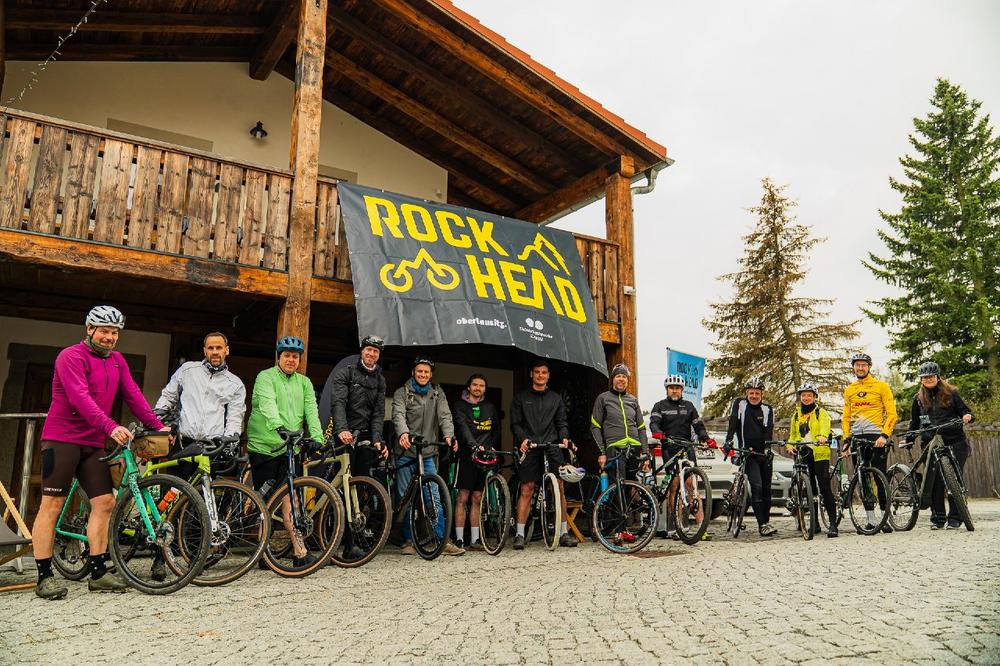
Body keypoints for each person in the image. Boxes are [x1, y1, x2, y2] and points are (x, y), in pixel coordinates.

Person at [31, 306, 166, 599]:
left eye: (114, 332)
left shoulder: (117, 361)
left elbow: (133, 395)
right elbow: (79, 397)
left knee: (105, 502)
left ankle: (98, 573)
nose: (109, 337)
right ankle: (44, 576)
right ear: (90, 329)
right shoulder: (70, 357)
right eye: (104, 331)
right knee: (52, 505)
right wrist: (110, 426)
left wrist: (158, 427)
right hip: (61, 439)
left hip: (93, 443)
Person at [150, 331, 246, 579]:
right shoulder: (188, 371)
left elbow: (235, 416)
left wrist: (231, 439)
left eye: (219, 348)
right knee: (170, 499)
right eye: (210, 348)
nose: (215, 352)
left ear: (227, 350)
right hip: (184, 444)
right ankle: (159, 557)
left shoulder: (235, 384)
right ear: (204, 350)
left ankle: (194, 558)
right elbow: (168, 397)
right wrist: (160, 423)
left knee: (202, 504)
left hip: (211, 448)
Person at [246, 335, 324, 567]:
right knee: (265, 500)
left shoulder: (304, 382)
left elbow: (311, 410)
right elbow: (267, 404)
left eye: (295, 357)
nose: (291, 360)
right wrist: (279, 427)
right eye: (287, 355)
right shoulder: (265, 377)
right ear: (278, 357)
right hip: (264, 446)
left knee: (292, 498)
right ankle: (263, 552)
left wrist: (317, 437)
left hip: (290, 447)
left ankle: (300, 552)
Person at [391, 357, 464, 556]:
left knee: (434, 496)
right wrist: (403, 433)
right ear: (413, 372)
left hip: (428, 453)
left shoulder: (437, 393)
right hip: (406, 452)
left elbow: (445, 416)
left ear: (431, 375)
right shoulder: (402, 393)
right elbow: (398, 415)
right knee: (405, 497)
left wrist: (449, 435)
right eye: (419, 371)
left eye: (426, 372)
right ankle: (408, 539)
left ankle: (442, 540)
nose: (423, 374)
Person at [326, 334, 389, 559]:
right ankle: (336, 539)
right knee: (342, 488)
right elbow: (338, 403)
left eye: (376, 351)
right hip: (345, 435)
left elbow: (378, 413)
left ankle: (352, 542)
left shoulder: (380, 380)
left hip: (364, 437)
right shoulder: (347, 373)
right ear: (362, 351)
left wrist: (377, 438)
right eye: (368, 350)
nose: (371, 354)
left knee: (360, 488)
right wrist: (342, 429)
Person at [509, 359, 577, 550]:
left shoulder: (556, 399)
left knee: (560, 488)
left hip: (552, 446)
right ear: (531, 374)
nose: (540, 375)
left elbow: (562, 422)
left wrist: (565, 438)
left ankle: (563, 533)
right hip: (531, 446)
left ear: (548, 376)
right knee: (527, 489)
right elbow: (515, 424)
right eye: (537, 372)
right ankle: (520, 534)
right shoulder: (521, 398)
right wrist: (523, 438)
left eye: (544, 372)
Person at [905, 362, 975, 530]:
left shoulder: (952, 393)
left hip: (954, 440)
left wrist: (967, 416)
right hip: (930, 443)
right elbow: (914, 423)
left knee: (954, 479)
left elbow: (967, 411)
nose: (928, 379)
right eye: (925, 377)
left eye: (931, 376)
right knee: (935, 482)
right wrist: (909, 438)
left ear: (938, 377)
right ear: (921, 380)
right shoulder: (918, 399)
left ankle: (955, 518)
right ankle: (938, 518)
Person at [649, 374, 716, 539]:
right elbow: (654, 422)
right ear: (667, 389)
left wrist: (705, 438)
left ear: (682, 390)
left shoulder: (689, 406)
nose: (674, 390)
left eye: (677, 388)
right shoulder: (660, 406)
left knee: (692, 486)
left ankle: (701, 528)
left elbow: (698, 425)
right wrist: (657, 432)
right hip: (670, 448)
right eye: (671, 388)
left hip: (687, 447)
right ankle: (676, 526)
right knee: (675, 486)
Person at [841, 352, 896, 534]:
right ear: (853, 367)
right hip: (857, 438)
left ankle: (885, 518)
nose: (860, 368)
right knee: (862, 478)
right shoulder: (850, 389)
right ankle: (871, 520)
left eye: (863, 365)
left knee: (880, 478)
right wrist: (846, 440)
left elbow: (891, 413)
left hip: (876, 436)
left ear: (869, 367)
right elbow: (846, 417)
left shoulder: (881, 386)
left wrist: (884, 435)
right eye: (857, 365)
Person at [451, 373, 501, 550]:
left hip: (484, 458)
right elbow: (462, 428)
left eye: (481, 385)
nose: (478, 388)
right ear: (469, 387)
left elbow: (496, 429)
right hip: (466, 456)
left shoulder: (490, 407)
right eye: (475, 385)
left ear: (485, 389)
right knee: (462, 497)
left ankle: (475, 539)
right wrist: (473, 445)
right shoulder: (459, 406)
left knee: (478, 498)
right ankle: (459, 539)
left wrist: (491, 446)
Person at [723, 377, 777, 537]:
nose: (754, 396)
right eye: (751, 393)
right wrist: (728, 440)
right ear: (747, 393)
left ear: (762, 394)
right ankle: (762, 524)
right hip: (748, 453)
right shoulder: (739, 404)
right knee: (757, 487)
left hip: (763, 453)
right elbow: (733, 423)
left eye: (757, 393)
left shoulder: (767, 409)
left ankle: (766, 522)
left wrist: (768, 448)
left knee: (767, 489)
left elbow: (768, 431)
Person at [785, 383, 838, 537]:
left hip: (820, 453)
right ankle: (815, 524)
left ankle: (833, 524)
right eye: (804, 395)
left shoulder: (821, 413)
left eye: (809, 395)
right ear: (800, 397)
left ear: (814, 397)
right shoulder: (796, 416)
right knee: (810, 490)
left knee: (824, 487)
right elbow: (793, 435)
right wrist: (789, 445)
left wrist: (822, 436)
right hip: (804, 453)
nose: (806, 398)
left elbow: (825, 427)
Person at [591, 364, 648, 482]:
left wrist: (645, 452)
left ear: (627, 380)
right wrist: (602, 452)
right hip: (615, 448)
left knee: (633, 485)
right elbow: (595, 426)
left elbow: (641, 428)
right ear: (612, 379)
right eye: (618, 376)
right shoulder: (603, 398)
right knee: (619, 484)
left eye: (624, 376)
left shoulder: (633, 400)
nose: (621, 379)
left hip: (634, 448)